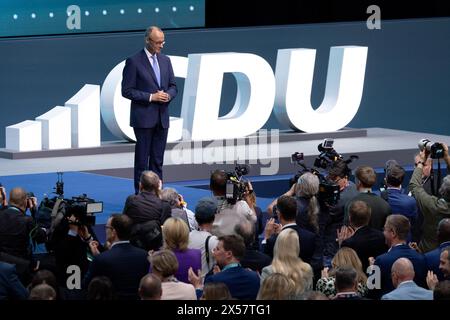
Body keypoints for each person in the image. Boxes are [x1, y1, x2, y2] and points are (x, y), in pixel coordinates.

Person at [121, 25, 177, 193]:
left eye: (163, 42)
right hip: (144, 119)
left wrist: (168, 95)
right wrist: (151, 97)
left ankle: (158, 194)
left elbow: (173, 86)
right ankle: (139, 196)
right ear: (147, 40)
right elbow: (127, 90)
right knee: (142, 162)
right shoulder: (134, 61)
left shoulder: (165, 60)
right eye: (158, 42)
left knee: (157, 161)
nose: (161, 45)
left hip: (162, 118)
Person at [409, 144, 450, 253]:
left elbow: (414, 186)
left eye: (424, 165)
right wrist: (446, 157)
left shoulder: (434, 204)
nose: (421, 168)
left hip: (430, 249)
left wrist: (420, 163)